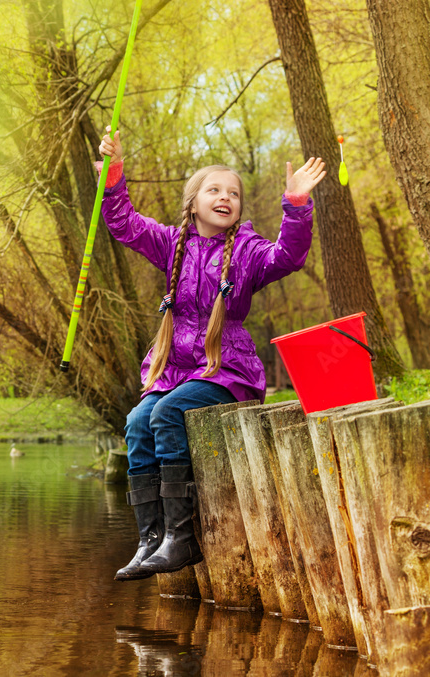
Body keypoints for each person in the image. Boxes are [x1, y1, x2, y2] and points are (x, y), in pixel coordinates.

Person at [95, 127, 327, 581]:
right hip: (174, 367)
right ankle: (150, 539)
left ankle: (180, 540)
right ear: (193, 202)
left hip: (226, 368)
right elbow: (122, 222)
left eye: (234, 193)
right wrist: (115, 171)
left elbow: (289, 256)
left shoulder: (247, 250)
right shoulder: (169, 245)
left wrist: (296, 205)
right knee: (138, 422)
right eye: (215, 190)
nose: (226, 198)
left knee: (166, 414)